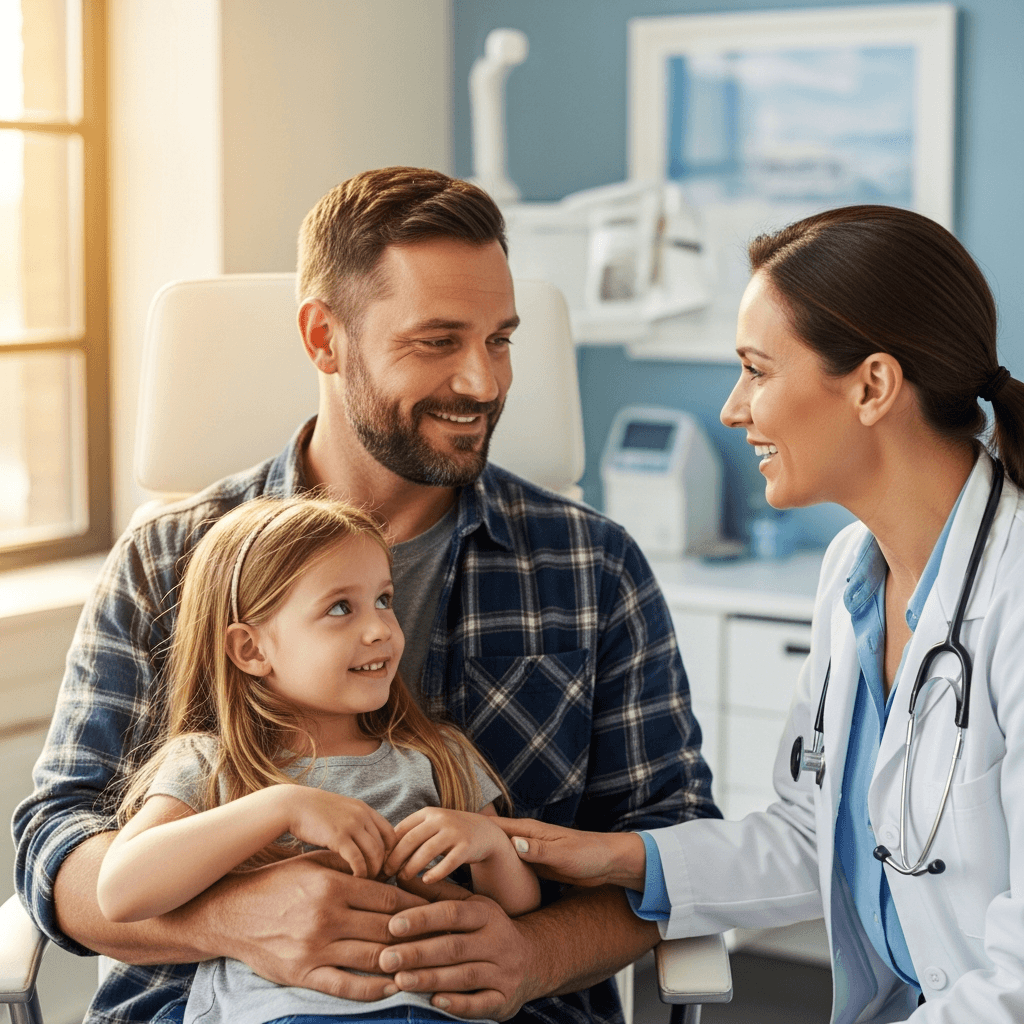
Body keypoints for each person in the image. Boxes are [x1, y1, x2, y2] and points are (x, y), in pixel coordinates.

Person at [14, 166, 719, 1024]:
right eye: (437, 342)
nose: (484, 383)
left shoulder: (590, 567)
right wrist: (235, 920)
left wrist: (531, 955)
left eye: (500, 339)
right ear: (324, 338)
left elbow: (675, 844)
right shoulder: (168, 560)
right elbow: (59, 844)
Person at [494, 205, 1024, 1023]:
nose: (732, 409)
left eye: (756, 370)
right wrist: (610, 857)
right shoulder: (853, 573)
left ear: (873, 386)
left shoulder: (1014, 596)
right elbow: (814, 836)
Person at [97, 495, 540, 1024]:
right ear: (251, 650)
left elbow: (518, 917)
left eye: (384, 599)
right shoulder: (213, 765)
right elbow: (121, 890)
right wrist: (280, 808)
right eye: (340, 608)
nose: (380, 628)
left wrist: (492, 849)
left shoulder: (438, 756)